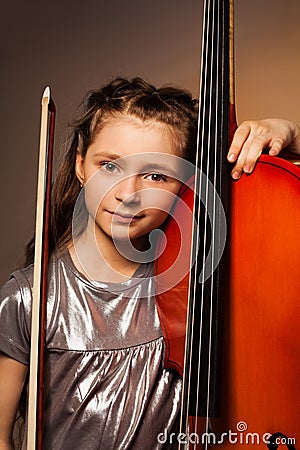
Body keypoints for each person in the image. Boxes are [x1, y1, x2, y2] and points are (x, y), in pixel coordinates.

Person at [0, 77, 299, 450]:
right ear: (80, 164)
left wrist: (286, 135)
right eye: (109, 166)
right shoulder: (29, 297)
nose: (128, 194)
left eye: (156, 175)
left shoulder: (201, 286)